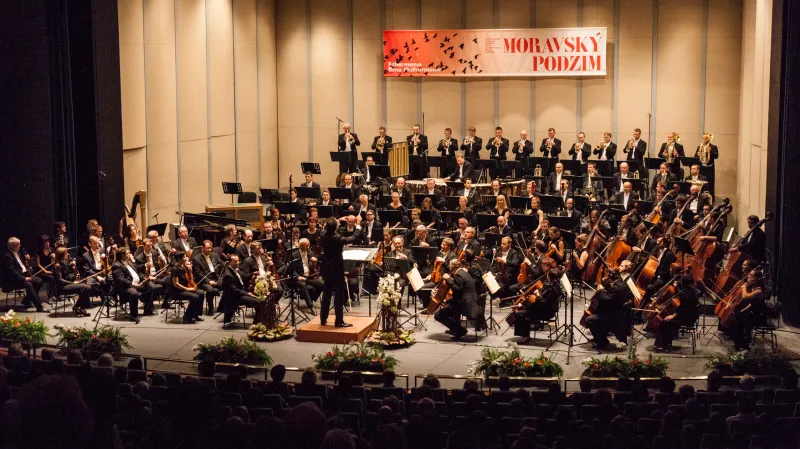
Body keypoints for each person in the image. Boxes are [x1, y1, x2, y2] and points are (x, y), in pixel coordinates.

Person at [320, 217, 360, 327]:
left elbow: (326, 228)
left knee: (326, 294)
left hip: (326, 268)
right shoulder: (337, 238)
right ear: (335, 227)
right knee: (339, 296)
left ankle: (323, 318)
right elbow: (353, 237)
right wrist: (359, 227)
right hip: (337, 269)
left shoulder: (323, 235)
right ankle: (339, 321)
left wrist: (338, 220)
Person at [514, 257, 563, 344]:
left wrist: (537, 295)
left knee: (520, 313)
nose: (542, 267)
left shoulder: (551, 285)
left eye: (544, 266)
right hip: (547, 307)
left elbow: (544, 302)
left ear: (548, 267)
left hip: (547, 311)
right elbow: (544, 296)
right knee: (524, 308)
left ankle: (525, 336)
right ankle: (525, 335)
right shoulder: (550, 280)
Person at [584, 268, 633, 350]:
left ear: (611, 277)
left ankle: (603, 343)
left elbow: (606, 299)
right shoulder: (622, 284)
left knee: (589, 319)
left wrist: (600, 290)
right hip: (619, 312)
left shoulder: (616, 288)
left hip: (613, 316)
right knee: (596, 313)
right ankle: (599, 337)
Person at [435, 259, 481, 340]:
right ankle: (456, 329)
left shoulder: (458, 275)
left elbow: (457, 289)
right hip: (470, 302)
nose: (449, 267)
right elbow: (459, 293)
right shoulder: (464, 273)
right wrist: (447, 301)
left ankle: (459, 330)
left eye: (449, 265)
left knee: (438, 315)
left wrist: (448, 278)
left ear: (453, 266)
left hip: (465, 305)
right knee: (452, 306)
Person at [654, 275, 700, 351]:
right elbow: (682, 307)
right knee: (666, 321)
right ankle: (665, 343)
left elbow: (686, 309)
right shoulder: (692, 291)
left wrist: (674, 315)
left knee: (664, 322)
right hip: (687, 316)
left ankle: (664, 344)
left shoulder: (688, 294)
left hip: (687, 318)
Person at [111, 247, 157, 323]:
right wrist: (133, 284)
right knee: (134, 293)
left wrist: (147, 278)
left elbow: (137, 273)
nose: (130, 255)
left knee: (150, 287)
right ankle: (133, 315)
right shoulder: (116, 265)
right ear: (122, 255)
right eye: (128, 253)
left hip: (136, 284)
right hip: (125, 286)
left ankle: (147, 310)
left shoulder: (128, 262)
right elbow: (120, 279)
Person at [2, 237, 47, 311]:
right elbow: (12, 272)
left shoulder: (18, 252)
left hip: (23, 275)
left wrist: (26, 255)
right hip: (13, 280)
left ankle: (26, 301)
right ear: (13, 246)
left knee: (39, 281)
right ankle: (39, 306)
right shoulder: (7, 256)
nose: (20, 246)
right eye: (18, 245)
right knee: (28, 284)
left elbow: (23, 253)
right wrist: (24, 278)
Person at [730, 269, 767, 351]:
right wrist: (742, 310)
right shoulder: (753, 287)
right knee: (735, 319)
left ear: (756, 278)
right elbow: (751, 304)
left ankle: (742, 344)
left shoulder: (759, 291)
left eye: (751, 275)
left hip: (758, 317)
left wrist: (744, 287)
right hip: (751, 313)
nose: (748, 276)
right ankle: (741, 343)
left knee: (738, 321)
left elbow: (745, 296)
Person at [221, 254, 261, 328]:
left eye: (238, 260)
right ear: (229, 262)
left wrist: (253, 273)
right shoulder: (227, 275)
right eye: (235, 261)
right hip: (235, 298)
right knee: (258, 302)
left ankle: (259, 321)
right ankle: (256, 324)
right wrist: (247, 293)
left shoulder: (237, 269)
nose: (237, 262)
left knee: (261, 298)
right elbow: (234, 290)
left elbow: (244, 277)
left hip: (241, 294)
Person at [52, 247, 91, 316]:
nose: (67, 254)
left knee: (86, 286)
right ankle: (80, 308)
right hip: (62, 287)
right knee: (84, 287)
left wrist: (72, 268)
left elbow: (68, 274)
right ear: (62, 255)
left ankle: (80, 307)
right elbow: (60, 280)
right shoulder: (57, 265)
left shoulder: (63, 263)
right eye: (66, 253)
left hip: (67, 284)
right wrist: (73, 283)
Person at [288, 238, 323, 312]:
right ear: (300, 246)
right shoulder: (294, 255)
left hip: (309, 276)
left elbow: (313, 267)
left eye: (308, 245)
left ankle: (311, 298)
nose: (308, 247)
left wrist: (315, 262)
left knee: (322, 284)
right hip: (299, 277)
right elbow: (291, 270)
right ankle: (310, 306)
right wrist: (298, 277)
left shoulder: (310, 252)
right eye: (306, 246)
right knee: (303, 285)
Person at [169, 253, 205, 324]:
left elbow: (190, 280)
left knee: (201, 293)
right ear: (179, 259)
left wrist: (190, 271)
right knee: (195, 297)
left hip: (185, 289)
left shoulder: (184, 267)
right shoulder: (175, 269)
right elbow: (176, 284)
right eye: (184, 257)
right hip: (177, 291)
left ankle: (195, 315)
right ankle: (187, 316)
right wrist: (187, 289)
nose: (186, 258)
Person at [193, 240, 223, 315]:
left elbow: (222, 264)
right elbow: (199, 274)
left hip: (215, 278)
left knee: (228, 285)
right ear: (202, 248)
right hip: (204, 281)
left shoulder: (214, 255)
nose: (209, 250)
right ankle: (211, 307)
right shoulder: (196, 259)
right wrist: (209, 281)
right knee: (210, 290)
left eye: (210, 248)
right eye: (207, 248)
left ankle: (222, 306)